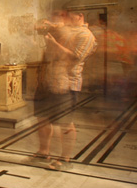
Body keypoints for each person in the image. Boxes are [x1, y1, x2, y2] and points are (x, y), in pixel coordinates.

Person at [33, 9, 96, 170]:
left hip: (67, 83)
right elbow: (38, 28)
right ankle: (43, 151)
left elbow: (75, 58)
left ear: (80, 16)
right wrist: (44, 25)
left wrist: (54, 43)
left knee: (65, 122)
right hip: (47, 80)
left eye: (68, 15)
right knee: (42, 117)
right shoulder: (63, 29)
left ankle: (65, 158)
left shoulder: (86, 35)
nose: (65, 18)